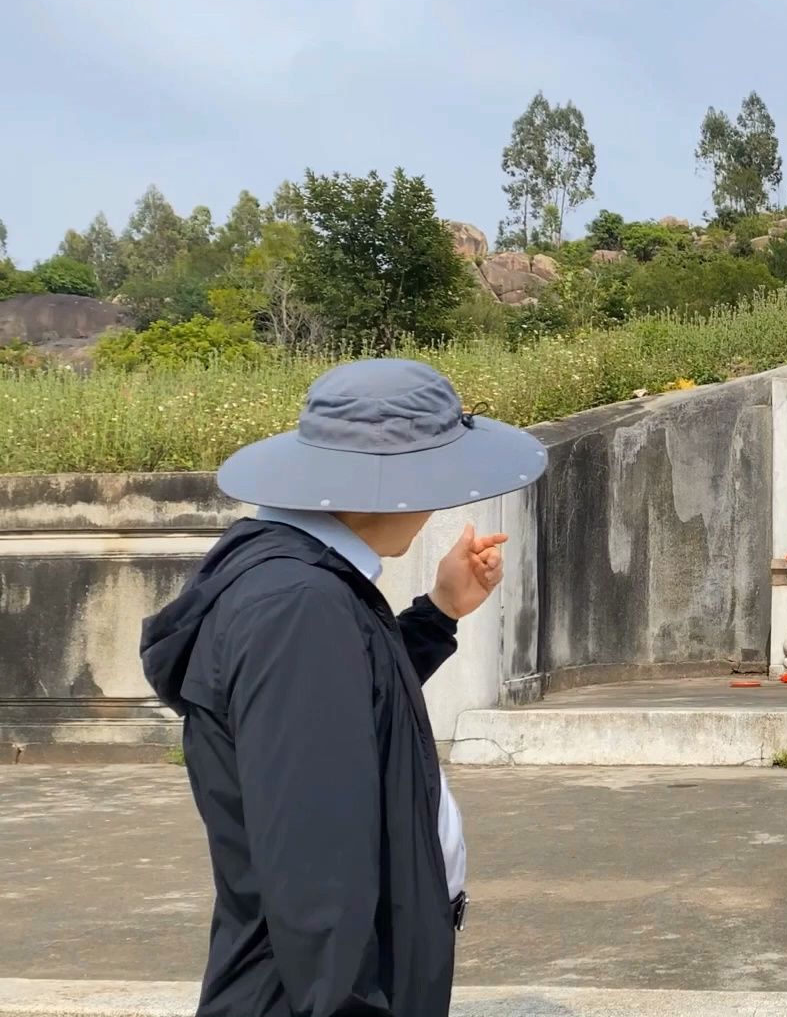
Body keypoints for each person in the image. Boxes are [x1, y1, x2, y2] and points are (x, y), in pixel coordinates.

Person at [141, 358, 547, 1017]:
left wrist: (437, 614)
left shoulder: (300, 586)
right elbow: (318, 880)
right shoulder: (299, 607)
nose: (436, 499)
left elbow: (344, 719)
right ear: (381, 483)